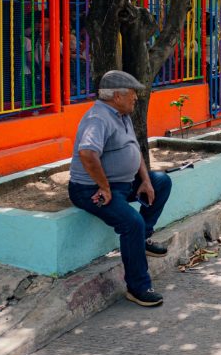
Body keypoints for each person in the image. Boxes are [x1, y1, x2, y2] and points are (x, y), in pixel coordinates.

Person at [67, 70, 173, 307]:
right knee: (132, 223)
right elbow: (87, 153)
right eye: (132, 93)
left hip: (121, 184)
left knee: (161, 182)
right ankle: (138, 287)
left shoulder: (122, 115)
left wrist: (145, 180)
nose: (136, 97)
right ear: (117, 96)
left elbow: (134, 150)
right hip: (89, 190)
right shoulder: (98, 118)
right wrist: (104, 187)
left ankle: (141, 239)